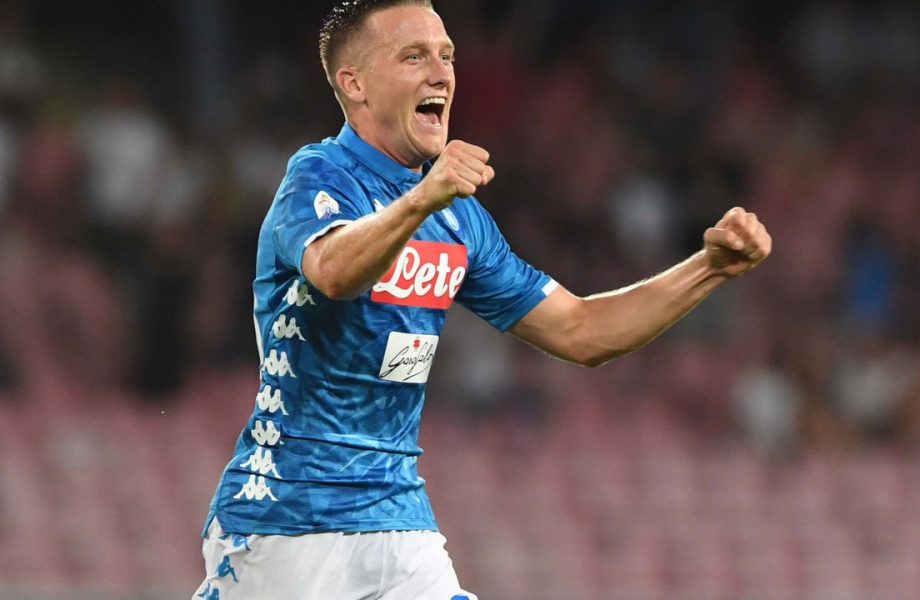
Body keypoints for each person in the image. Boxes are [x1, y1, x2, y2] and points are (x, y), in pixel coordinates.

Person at [192, 1, 773, 599]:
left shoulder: (459, 219)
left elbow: (582, 330)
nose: (441, 73)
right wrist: (422, 200)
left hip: (398, 517)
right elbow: (334, 272)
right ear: (354, 83)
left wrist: (708, 269)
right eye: (413, 56)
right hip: (287, 519)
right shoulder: (319, 176)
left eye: (446, 56)